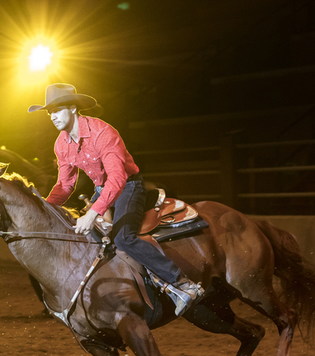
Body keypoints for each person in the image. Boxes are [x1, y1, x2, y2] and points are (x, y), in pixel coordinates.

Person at [28, 83, 203, 316]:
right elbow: (65, 185)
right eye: (49, 112)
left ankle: (182, 284)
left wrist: (92, 213)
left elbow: (118, 177)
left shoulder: (103, 133)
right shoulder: (61, 144)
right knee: (87, 240)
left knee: (124, 238)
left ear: (72, 108)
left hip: (129, 186)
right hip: (103, 189)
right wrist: (45, 208)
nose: (52, 116)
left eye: (57, 110)